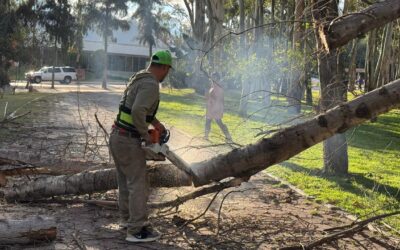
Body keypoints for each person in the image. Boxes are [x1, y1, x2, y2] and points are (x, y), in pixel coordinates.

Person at [109, 50, 172, 243]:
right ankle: (136, 230)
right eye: (167, 70)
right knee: (139, 184)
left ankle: (127, 220)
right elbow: (137, 110)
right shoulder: (152, 84)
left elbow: (136, 108)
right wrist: (147, 136)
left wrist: (156, 124)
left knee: (125, 182)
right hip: (128, 140)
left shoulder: (139, 78)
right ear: (163, 67)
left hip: (117, 137)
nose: (167, 74)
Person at [204, 72, 232, 142]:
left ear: (218, 79)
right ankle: (206, 136)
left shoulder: (219, 88)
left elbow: (219, 99)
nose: (212, 79)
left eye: (214, 77)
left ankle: (228, 137)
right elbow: (210, 98)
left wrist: (216, 108)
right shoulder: (212, 87)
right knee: (208, 122)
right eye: (212, 77)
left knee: (219, 123)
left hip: (216, 108)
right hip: (211, 108)